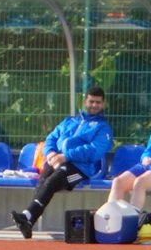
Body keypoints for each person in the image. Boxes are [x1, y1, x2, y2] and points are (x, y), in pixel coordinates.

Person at [11, 86, 114, 239]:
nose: (94, 105)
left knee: (52, 181)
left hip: (80, 169)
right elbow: (51, 139)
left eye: (98, 102)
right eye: (91, 101)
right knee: (44, 179)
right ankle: (28, 221)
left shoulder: (103, 128)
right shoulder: (69, 121)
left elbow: (94, 151)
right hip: (57, 161)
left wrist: (66, 156)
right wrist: (51, 153)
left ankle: (27, 216)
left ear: (103, 104)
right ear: (85, 102)